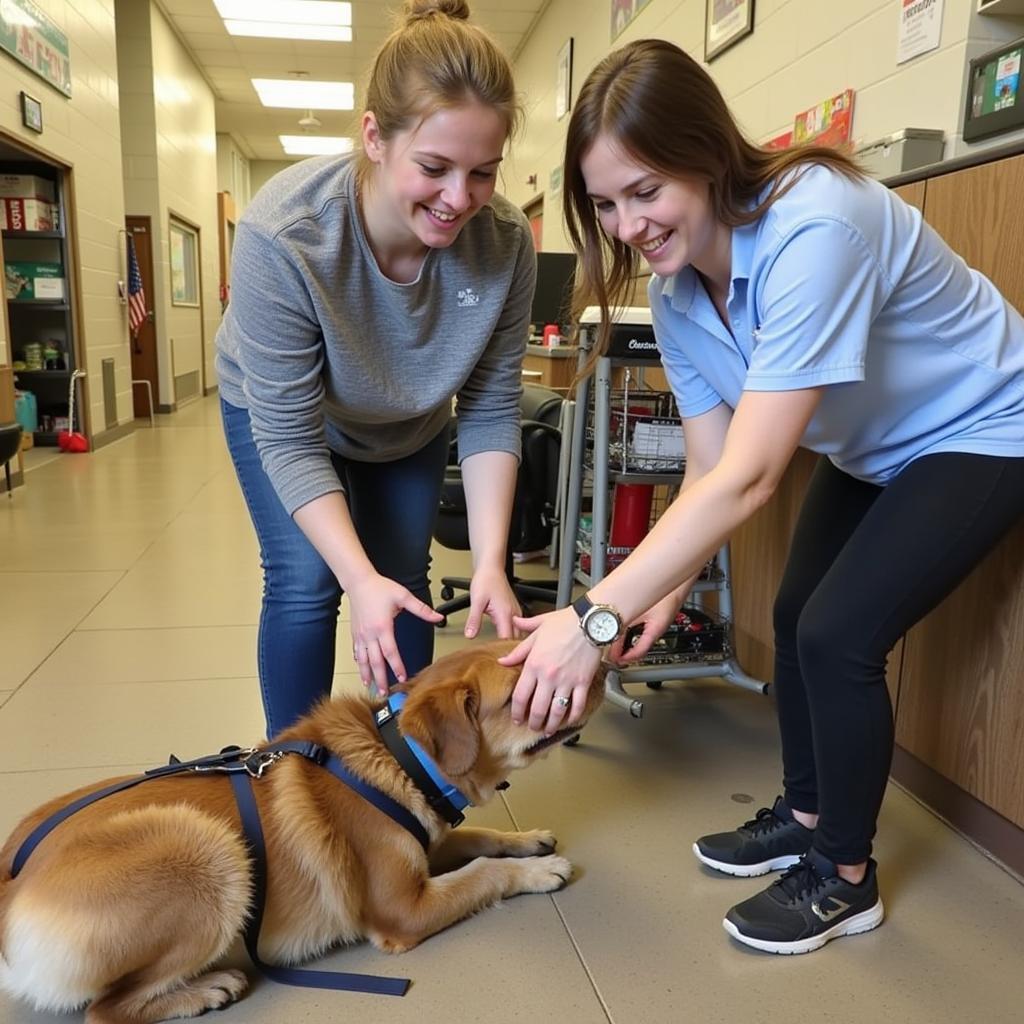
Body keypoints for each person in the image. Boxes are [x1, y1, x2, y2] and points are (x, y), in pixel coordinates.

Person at [501, 37, 1024, 954]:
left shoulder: (816, 222)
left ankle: (844, 876)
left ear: (705, 154)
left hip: (987, 422)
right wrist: (653, 598)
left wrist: (591, 616)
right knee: (791, 617)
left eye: (647, 190)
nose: (628, 224)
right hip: (876, 449)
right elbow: (709, 471)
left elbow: (753, 476)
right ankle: (809, 810)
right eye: (607, 202)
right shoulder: (674, 296)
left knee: (838, 634)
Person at [216, 0, 536, 737]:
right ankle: (291, 772)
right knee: (308, 582)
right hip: (292, 418)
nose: (459, 199)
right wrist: (358, 580)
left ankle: (406, 773)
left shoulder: (505, 242)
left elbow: (489, 409)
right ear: (374, 137)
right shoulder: (286, 232)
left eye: (483, 173)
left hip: (408, 419)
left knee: (405, 584)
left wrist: (490, 560)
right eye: (435, 167)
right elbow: (291, 440)